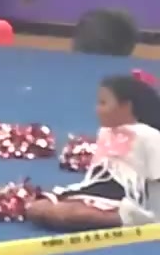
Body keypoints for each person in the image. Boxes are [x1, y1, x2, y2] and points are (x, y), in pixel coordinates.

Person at [27, 72, 160, 231]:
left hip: (127, 196)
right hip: (100, 188)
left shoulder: (150, 136)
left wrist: (154, 216)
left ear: (126, 107)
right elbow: (97, 172)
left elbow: (156, 179)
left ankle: (130, 217)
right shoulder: (105, 132)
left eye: (103, 103)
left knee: (68, 214)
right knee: (36, 209)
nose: (96, 109)